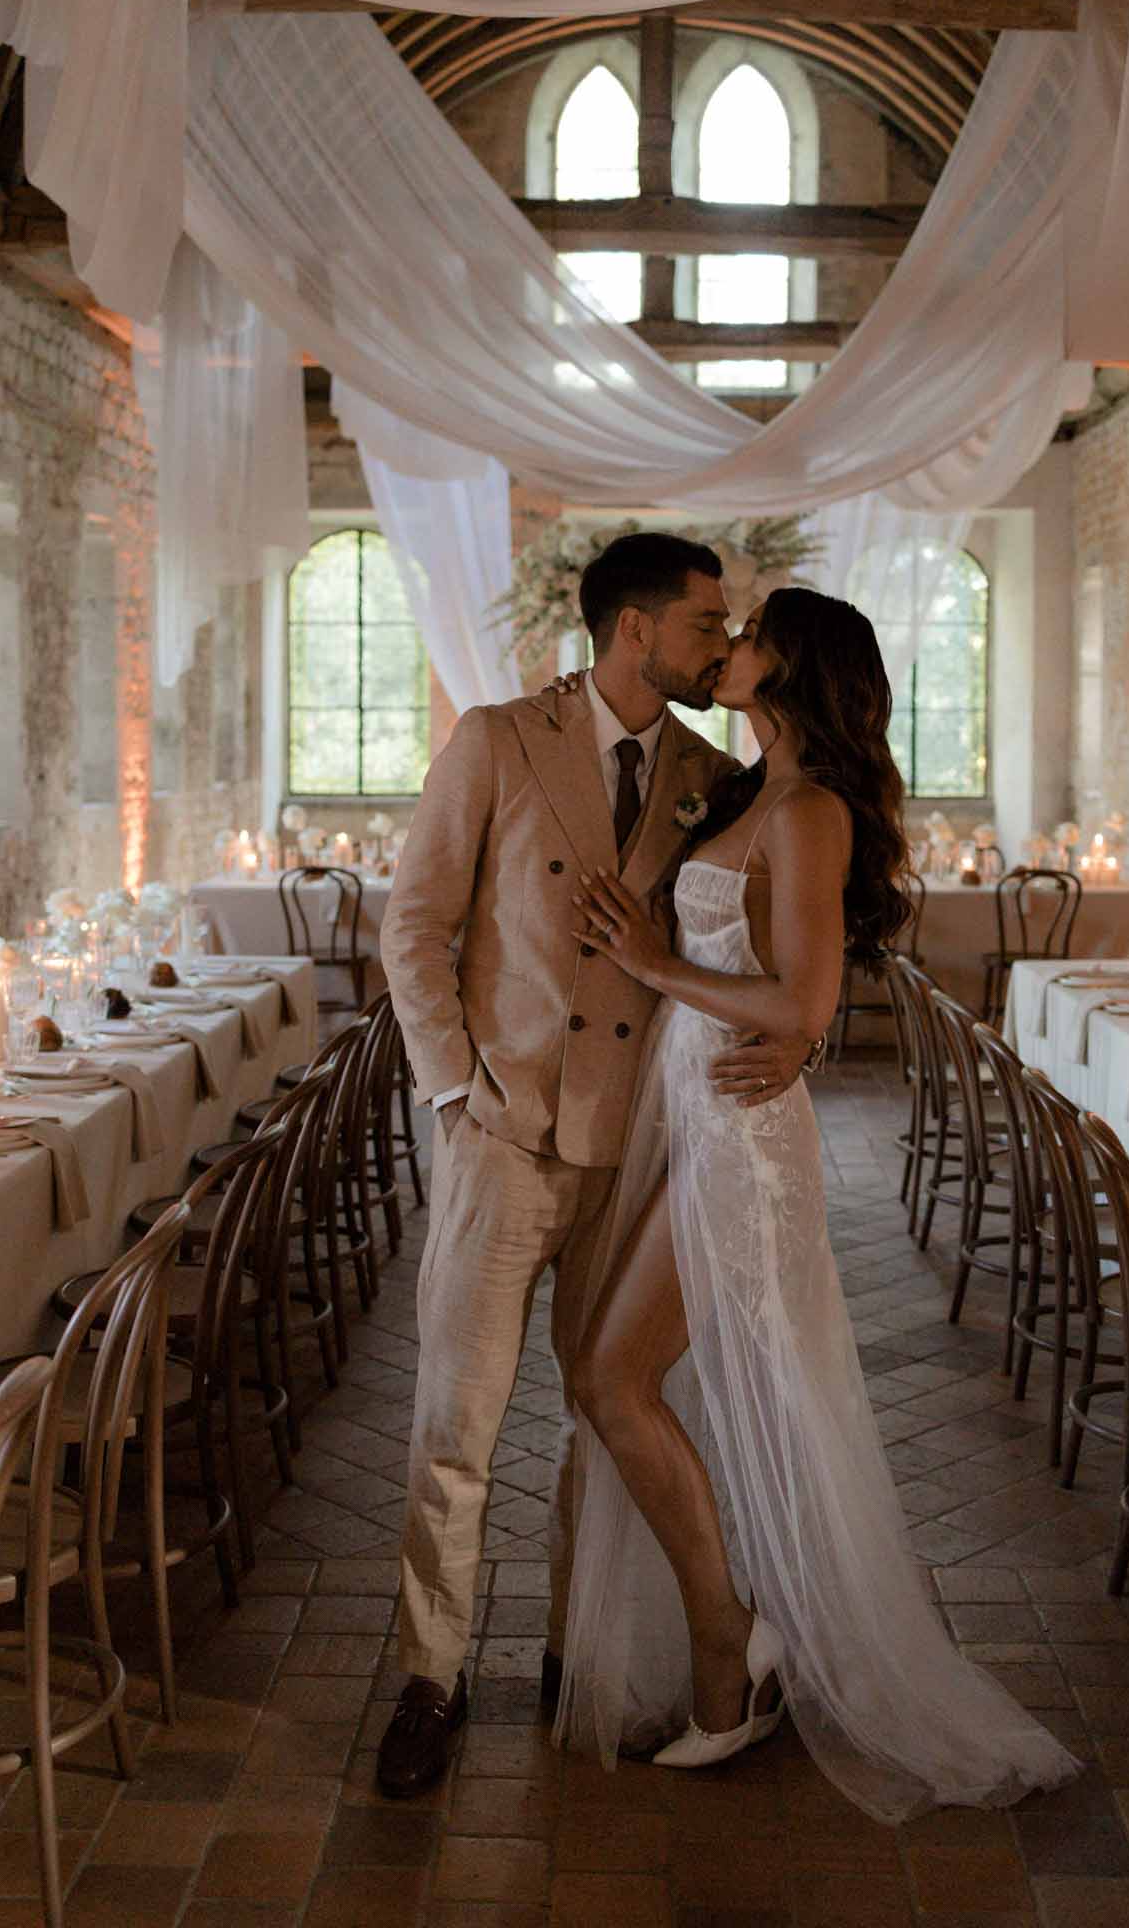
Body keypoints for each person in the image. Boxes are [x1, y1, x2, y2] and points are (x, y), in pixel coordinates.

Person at [557, 586, 1081, 1818]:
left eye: (747, 636)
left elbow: (801, 1009)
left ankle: (730, 1646)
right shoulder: (744, 793)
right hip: (693, 1109)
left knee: (610, 1378)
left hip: (739, 1129)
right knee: (609, 1368)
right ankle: (734, 1632)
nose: (728, 646)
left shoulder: (811, 813)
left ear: (792, 665)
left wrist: (653, 962)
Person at [375, 533, 816, 1799]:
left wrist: (798, 1036)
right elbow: (415, 925)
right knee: (456, 1423)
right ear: (634, 628)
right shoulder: (499, 740)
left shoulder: (710, 775)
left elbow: (778, 928)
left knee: (600, 1414)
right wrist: (457, 1089)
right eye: (703, 624)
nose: (723, 646)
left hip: (638, 1149)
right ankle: (431, 1675)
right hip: (507, 1135)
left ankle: (579, 1651)